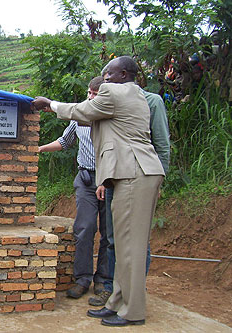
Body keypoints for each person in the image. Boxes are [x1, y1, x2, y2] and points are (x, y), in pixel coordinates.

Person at [32, 56, 165, 327]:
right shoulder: (134, 94)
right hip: (128, 174)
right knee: (122, 245)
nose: (103, 80)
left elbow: (83, 110)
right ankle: (116, 302)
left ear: (123, 74)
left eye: (108, 75)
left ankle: (132, 311)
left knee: (131, 248)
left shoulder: (115, 92)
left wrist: (50, 104)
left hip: (134, 172)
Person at [90, 84, 171, 307]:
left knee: (136, 242)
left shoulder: (152, 102)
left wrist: (157, 183)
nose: (107, 82)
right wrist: (105, 179)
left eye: (111, 77)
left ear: (125, 76)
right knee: (113, 239)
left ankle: (134, 293)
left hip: (140, 177)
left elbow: (162, 145)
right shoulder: (110, 103)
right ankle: (115, 293)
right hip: (116, 178)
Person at [38, 76, 108, 299]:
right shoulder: (79, 118)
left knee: (109, 233)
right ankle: (83, 278)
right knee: (85, 228)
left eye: (95, 94)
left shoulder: (110, 118)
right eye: (89, 93)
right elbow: (65, 142)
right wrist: (39, 149)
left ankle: (104, 281)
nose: (90, 97)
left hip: (110, 180)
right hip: (86, 179)